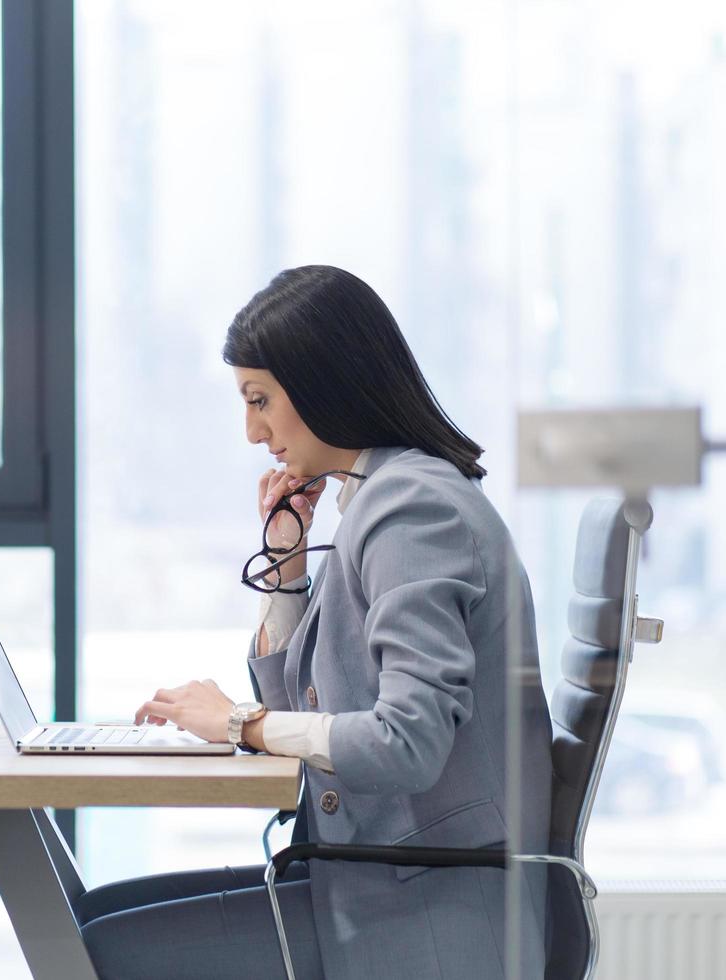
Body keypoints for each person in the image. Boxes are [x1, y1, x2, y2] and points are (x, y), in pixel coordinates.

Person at [76, 266, 554, 979]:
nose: (252, 431)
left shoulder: (410, 511)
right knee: (88, 923)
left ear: (327, 382)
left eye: (261, 400)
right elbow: (305, 693)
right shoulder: (378, 497)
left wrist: (240, 723)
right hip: (377, 879)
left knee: (94, 949)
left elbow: (407, 742)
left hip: (422, 907)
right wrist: (286, 566)